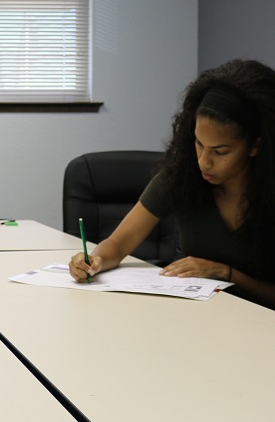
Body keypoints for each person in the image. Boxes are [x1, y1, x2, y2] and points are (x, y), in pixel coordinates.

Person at [69, 59, 275, 309]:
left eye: (220, 152)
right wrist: (94, 259)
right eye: (199, 144)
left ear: (256, 146)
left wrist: (226, 274)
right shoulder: (181, 177)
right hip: (193, 316)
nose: (204, 162)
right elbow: (119, 243)